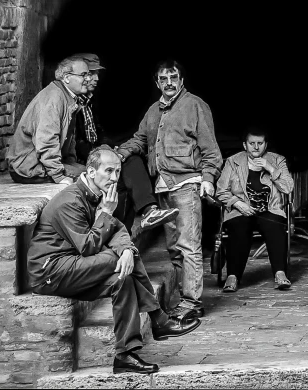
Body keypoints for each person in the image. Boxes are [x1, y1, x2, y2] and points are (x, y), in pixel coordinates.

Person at [27, 148, 200, 374]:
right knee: (116, 258)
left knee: (123, 280)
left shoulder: (98, 194)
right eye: (108, 171)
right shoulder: (70, 201)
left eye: (117, 171)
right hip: (51, 271)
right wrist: (109, 216)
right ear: (90, 171)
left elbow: (117, 229)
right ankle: (159, 319)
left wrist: (127, 249)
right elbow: (89, 247)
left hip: (74, 265)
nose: (114, 177)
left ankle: (125, 355)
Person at [116, 59, 222, 321]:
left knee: (188, 246)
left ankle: (193, 302)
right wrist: (119, 153)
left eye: (173, 77)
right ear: (157, 83)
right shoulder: (153, 111)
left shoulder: (195, 106)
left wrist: (208, 177)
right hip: (162, 187)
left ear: (182, 80)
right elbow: (140, 140)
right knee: (174, 248)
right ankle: (181, 298)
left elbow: (210, 149)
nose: (169, 83)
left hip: (186, 185)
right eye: (163, 79)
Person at [68, 53, 179, 233]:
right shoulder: (70, 102)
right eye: (91, 74)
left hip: (96, 153)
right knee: (124, 169)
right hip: (81, 161)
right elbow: (75, 143)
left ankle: (141, 219)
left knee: (128, 166)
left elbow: (98, 132)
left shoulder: (89, 101)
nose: (96, 79)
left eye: (97, 74)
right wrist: (105, 151)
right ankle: (146, 212)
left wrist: (115, 149)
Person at [215, 127, 294, 292]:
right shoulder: (233, 161)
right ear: (245, 145)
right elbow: (220, 190)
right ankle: (233, 276)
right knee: (239, 227)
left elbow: (288, 188)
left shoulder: (277, 160)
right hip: (241, 209)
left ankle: (280, 273)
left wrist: (270, 168)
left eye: (260, 143)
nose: (256, 147)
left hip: (269, 209)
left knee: (275, 226)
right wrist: (237, 203)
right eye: (252, 143)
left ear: (265, 145)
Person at [6, 56, 87, 185]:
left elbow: (68, 140)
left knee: (92, 172)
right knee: (91, 177)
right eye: (83, 75)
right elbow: (46, 140)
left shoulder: (67, 97)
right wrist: (59, 176)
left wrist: (70, 163)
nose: (88, 79)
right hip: (28, 167)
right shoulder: (54, 98)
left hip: (40, 164)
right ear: (66, 78)